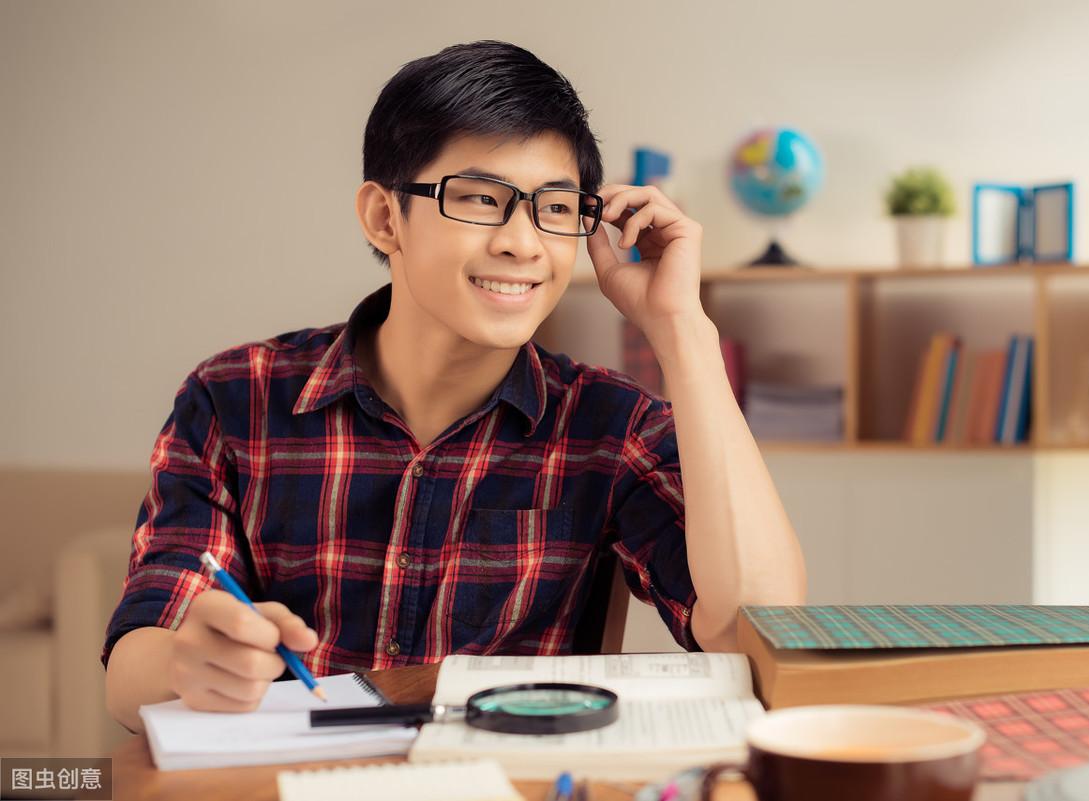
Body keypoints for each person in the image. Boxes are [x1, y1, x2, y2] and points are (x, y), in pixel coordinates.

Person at [103, 40, 806, 733]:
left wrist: (683, 329)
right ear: (385, 217)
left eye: (557, 208)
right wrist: (190, 663)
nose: (523, 243)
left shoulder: (608, 426)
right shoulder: (236, 398)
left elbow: (754, 633)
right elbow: (130, 673)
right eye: (479, 198)